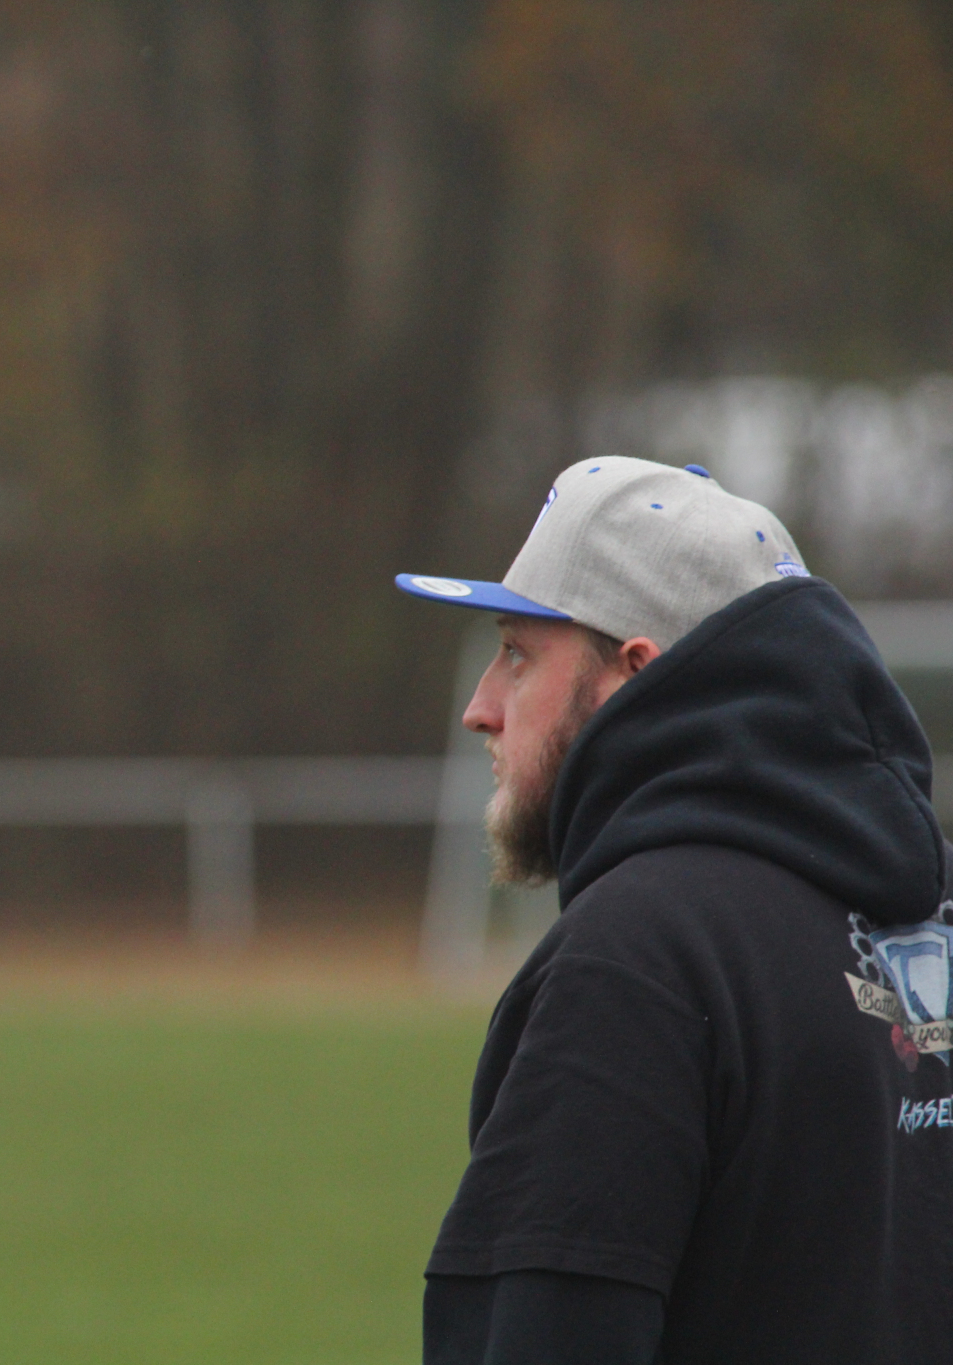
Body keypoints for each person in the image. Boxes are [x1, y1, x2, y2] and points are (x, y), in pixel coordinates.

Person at [397, 456, 953, 1364]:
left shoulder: (634, 958)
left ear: (635, 673)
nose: (480, 707)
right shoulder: (940, 911)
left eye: (518, 654)